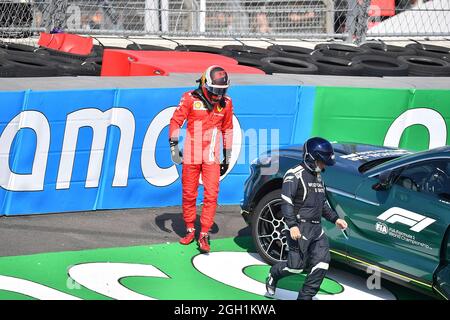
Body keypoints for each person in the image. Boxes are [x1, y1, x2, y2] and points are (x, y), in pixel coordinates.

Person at [266, 137, 348, 300]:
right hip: (298, 228)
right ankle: (273, 275)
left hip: (316, 230)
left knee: (322, 263)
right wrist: (292, 225)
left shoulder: (318, 177)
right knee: (295, 267)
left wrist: (335, 219)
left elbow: (322, 204)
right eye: (321, 161)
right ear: (311, 158)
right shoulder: (294, 174)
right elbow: (286, 201)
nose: (324, 165)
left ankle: (305, 298)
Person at [169, 66, 234, 253]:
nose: (218, 95)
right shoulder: (189, 98)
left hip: (211, 156)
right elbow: (175, 121)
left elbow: (227, 129)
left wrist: (227, 156)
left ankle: (204, 233)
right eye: (215, 90)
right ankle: (190, 229)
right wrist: (174, 146)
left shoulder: (227, 103)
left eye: (222, 91)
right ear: (205, 84)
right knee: (189, 193)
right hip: (191, 154)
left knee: (211, 194)